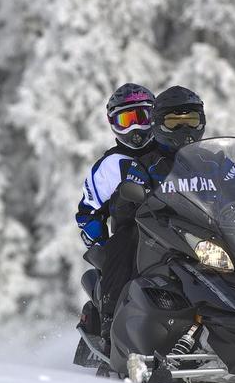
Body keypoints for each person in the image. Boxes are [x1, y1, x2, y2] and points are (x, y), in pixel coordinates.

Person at [75, 84, 207, 337]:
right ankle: (110, 322)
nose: (136, 129)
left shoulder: (172, 153)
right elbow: (88, 211)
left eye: (143, 118)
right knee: (124, 247)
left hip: (184, 227)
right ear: (114, 123)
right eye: (127, 120)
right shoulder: (110, 165)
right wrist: (99, 245)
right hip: (138, 230)